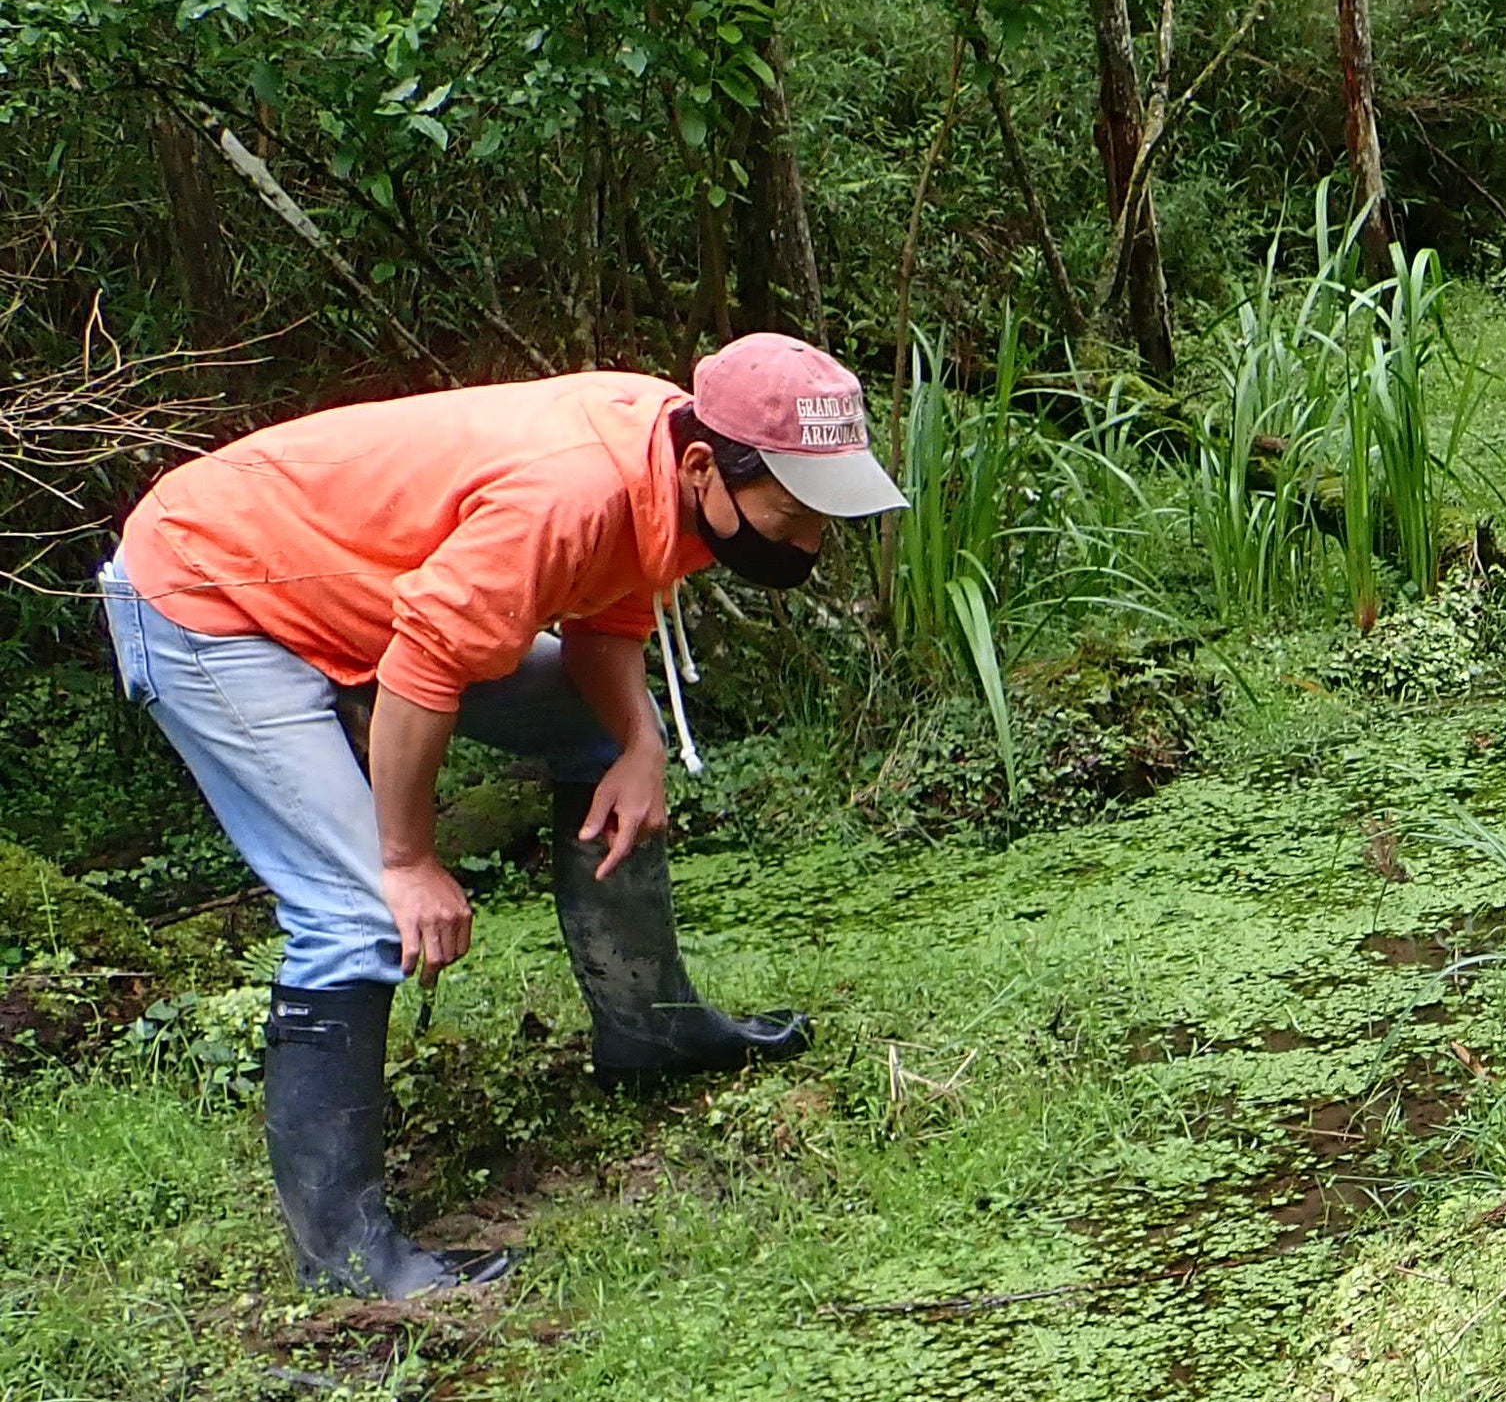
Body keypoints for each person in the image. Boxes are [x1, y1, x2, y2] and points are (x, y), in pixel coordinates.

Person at [100, 335, 906, 1299]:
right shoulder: (573, 492)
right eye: (798, 510)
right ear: (706, 468)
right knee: (356, 911)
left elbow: (602, 621)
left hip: (361, 599)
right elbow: (422, 666)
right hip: (211, 594)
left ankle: (652, 1027)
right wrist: (406, 859)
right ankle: (349, 1258)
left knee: (606, 739)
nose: (810, 541)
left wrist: (644, 749)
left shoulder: (664, 456)